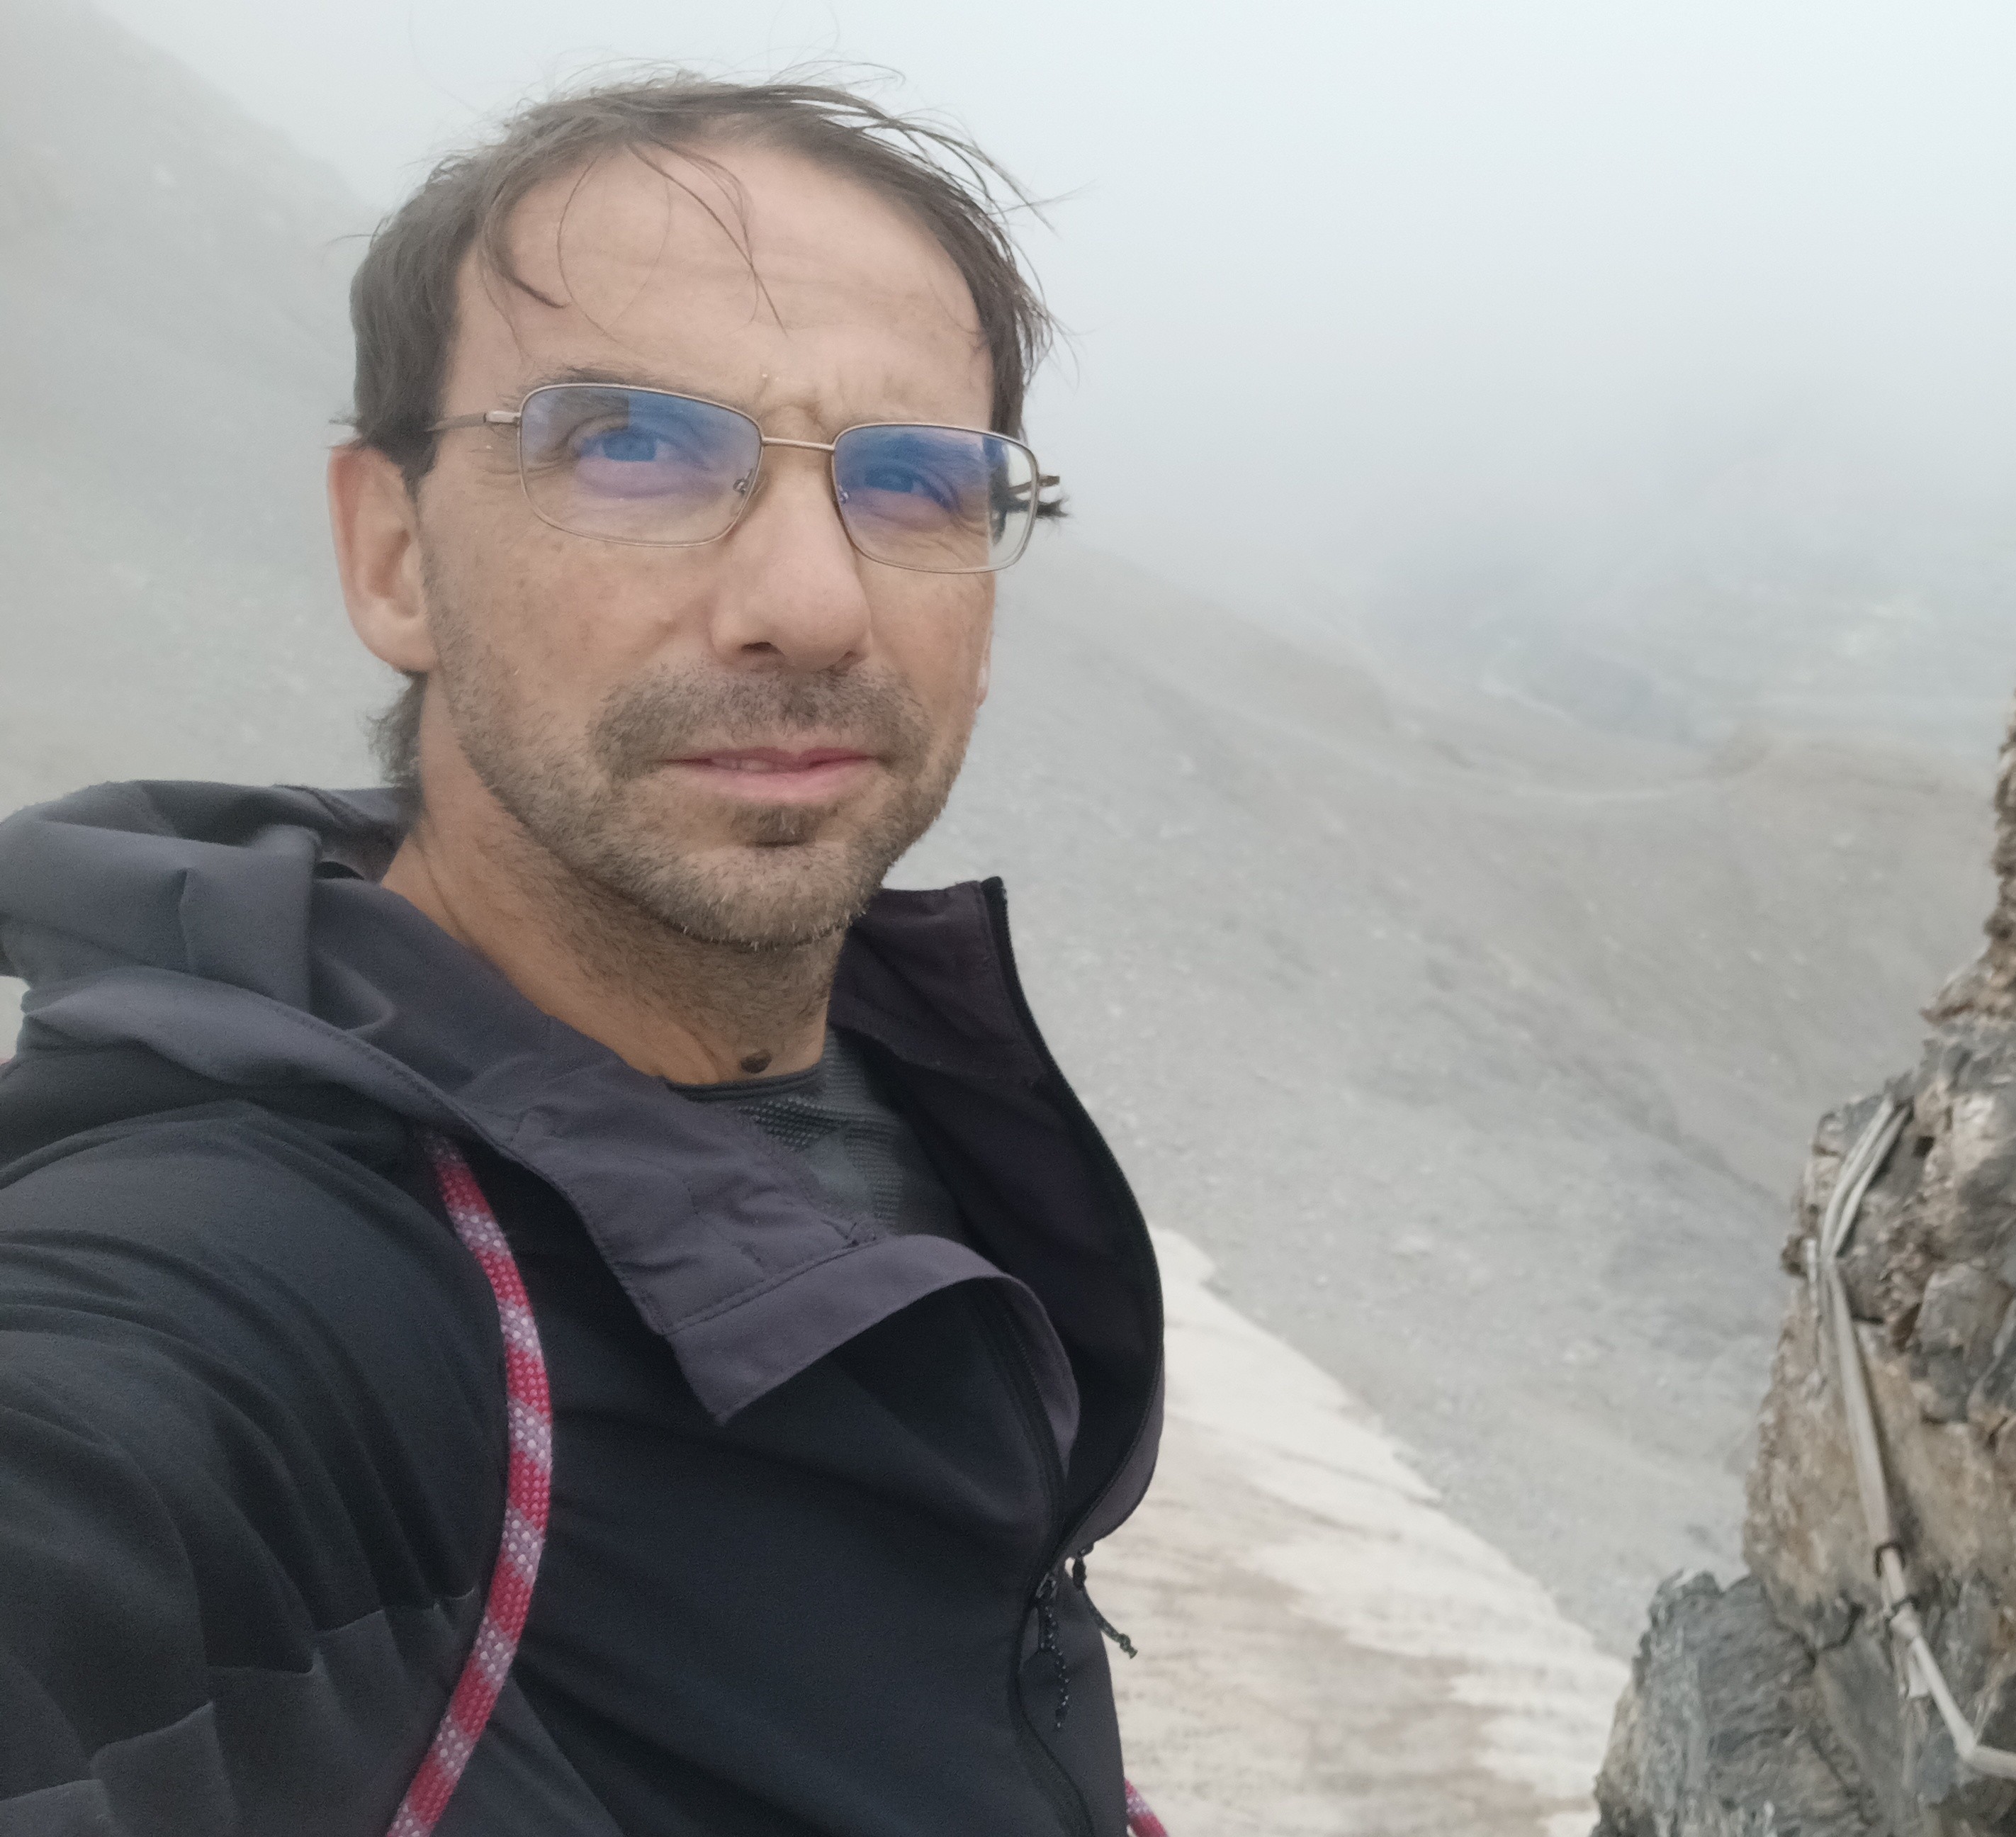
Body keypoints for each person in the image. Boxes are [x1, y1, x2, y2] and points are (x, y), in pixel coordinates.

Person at [0, 77, 1165, 1837]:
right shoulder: (251, 1293)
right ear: (394, 555)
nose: (814, 602)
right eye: (631, 446)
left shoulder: (928, 1109)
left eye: (916, 479)